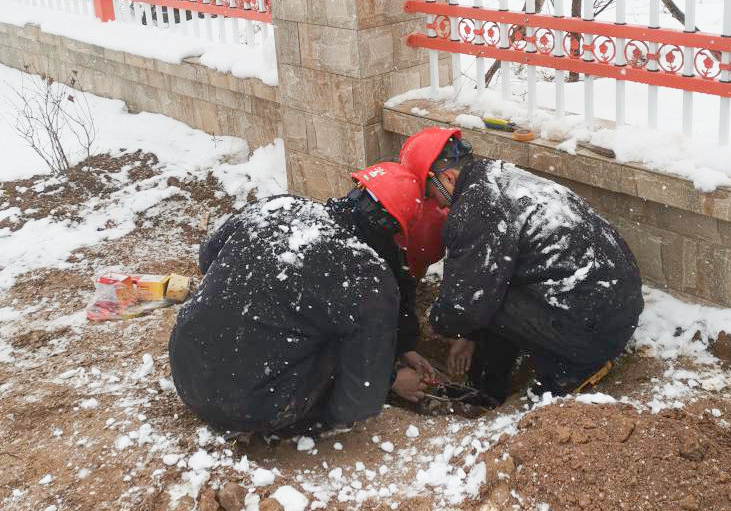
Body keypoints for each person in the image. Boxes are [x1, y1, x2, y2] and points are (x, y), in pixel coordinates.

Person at [169, 162, 435, 435]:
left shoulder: (277, 206)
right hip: (252, 408)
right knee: (341, 335)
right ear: (394, 233)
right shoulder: (366, 275)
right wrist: (390, 379)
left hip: (187, 371)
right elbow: (358, 404)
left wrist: (403, 346)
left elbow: (207, 258)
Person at [400, 127, 644, 404]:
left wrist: (445, 324)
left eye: (430, 193)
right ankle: (493, 385)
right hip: (616, 305)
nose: (434, 202)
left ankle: (569, 372)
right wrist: (470, 333)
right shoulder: (500, 176)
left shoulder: (475, 207)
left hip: (591, 330)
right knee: (492, 290)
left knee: (485, 300)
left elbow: (464, 308)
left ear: (447, 177)